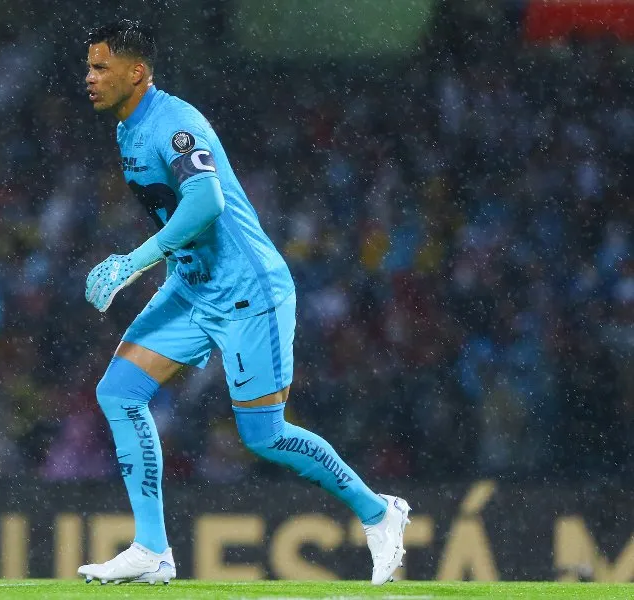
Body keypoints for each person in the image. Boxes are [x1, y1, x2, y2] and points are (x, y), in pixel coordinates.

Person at [77, 19, 410, 586]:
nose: (89, 78)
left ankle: (380, 513)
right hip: (192, 287)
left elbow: (204, 202)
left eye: (101, 67)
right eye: (89, 66)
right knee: (120, 392)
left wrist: (133, 263)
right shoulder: (125, 128)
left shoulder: (176, 125)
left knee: (265, 436)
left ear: (138, 72)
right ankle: (153, 550)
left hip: (247, 293)